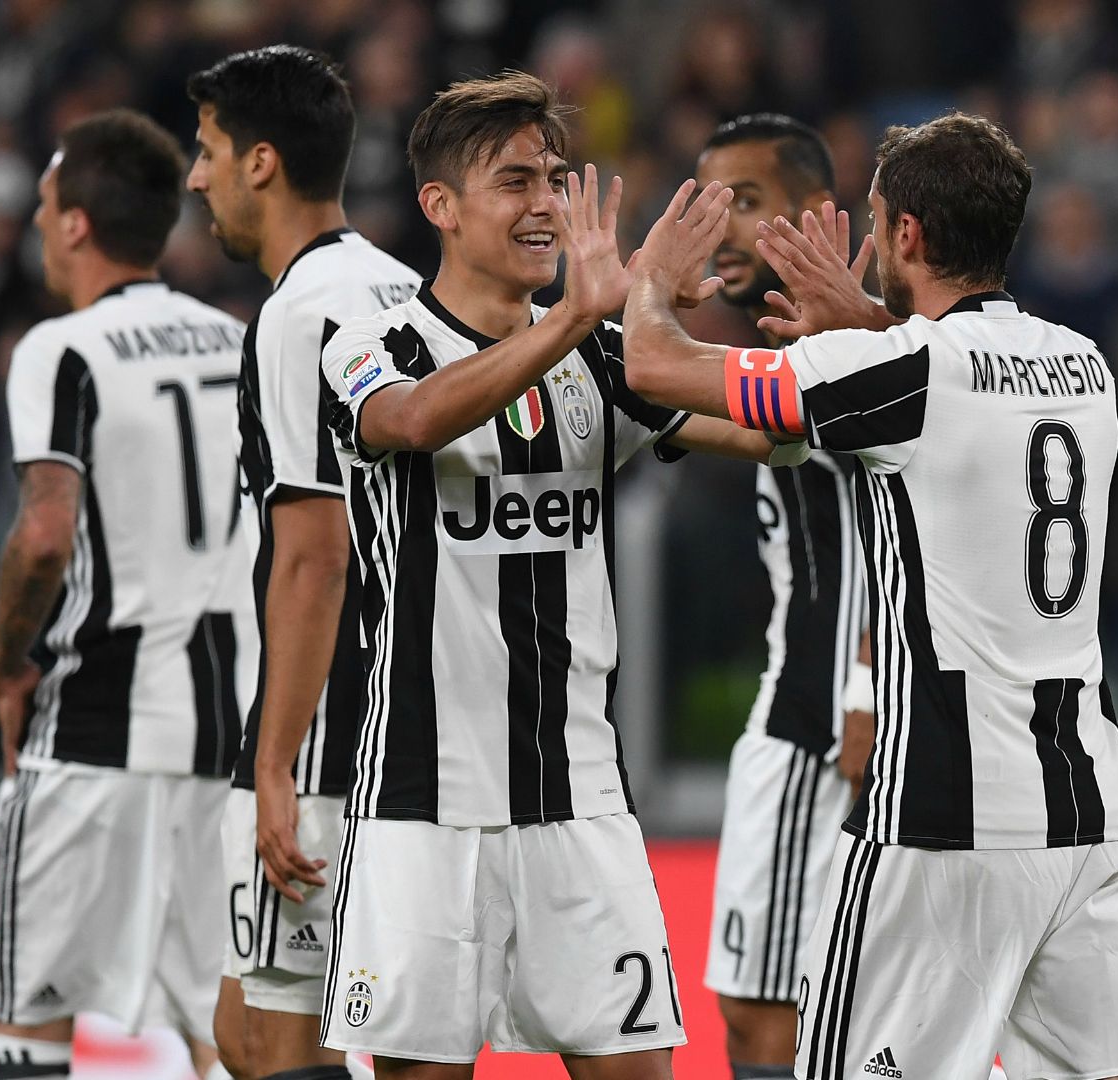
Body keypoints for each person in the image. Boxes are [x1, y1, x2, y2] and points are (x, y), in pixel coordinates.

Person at [623, 112, 1118, 1080]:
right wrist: (870, 319)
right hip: (1087, 806)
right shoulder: (1085, 363)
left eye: (878, 225)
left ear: (911, 236)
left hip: (937, 813)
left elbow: (654, 368)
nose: (870, 245)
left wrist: (645, 283)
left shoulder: (898, 371)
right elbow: (958, 389)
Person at [312, 72, 800, 1080]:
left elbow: (775, 439)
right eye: (512, 182)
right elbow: (410, 422)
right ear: (439, 206)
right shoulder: (373, 343)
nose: (543, 203)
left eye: (554, 179)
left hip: (579, 799)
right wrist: (581, 318)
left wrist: (826, 339)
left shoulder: (609, 354)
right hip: (420, 803)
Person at [0, 108, 250, 1079]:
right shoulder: (236, 338)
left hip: (95, 731)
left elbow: (45, 532)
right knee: (241, 1043)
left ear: (76, 226)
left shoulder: (63, 349)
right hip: (229, 740)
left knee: (30, 1030)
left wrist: (9, 658)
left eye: (46, 207)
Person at [184, 45, 420, 1080]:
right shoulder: (410, 286)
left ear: (263, 164)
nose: (197, 178)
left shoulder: (295, 315)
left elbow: (313, 556)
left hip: (326, 727)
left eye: (208, 152)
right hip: (416, 716)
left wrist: (272, 762)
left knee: (278, 1045)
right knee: (248, 1029)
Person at [693, 113, 875, 1080]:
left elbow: (915, 519)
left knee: (780, 1016)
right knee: (763, 1014)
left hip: (830, 724)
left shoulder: (866, 344)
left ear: (815, 212)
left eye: (747, 202)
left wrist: (864, 683)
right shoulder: (789, 337)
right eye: (709, 200)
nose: (722, 227)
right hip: (798, 709)